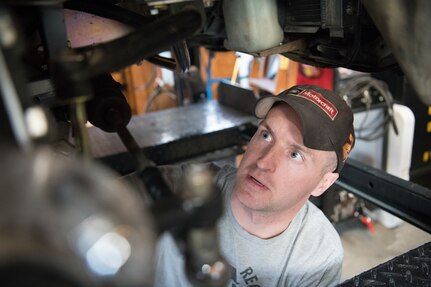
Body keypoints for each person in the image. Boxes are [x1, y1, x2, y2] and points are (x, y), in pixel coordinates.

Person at [153, 84, 355, 286]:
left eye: (295, 155)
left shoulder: (318, 257)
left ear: (323, 183)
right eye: (266, 135)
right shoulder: (181, 187)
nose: (263, 162)